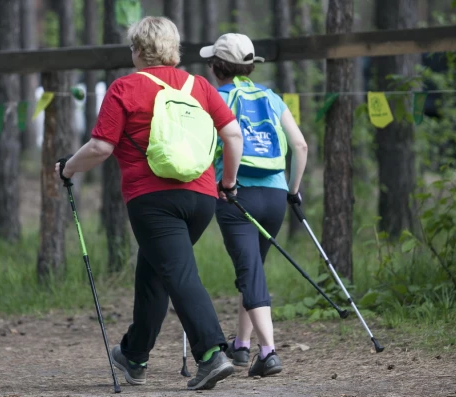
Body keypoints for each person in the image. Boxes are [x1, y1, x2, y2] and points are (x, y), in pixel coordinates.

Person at [55, 17, 244, 390]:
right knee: (155, 272)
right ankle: (134, 355)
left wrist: (67, 169)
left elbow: (101, 147)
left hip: (153, 199)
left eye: (131, 47)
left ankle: (211, 354)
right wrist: (228, 184)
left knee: (177, 272)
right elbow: (233, 134)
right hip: (202, 197)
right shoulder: (199, 86)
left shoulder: (125, 87)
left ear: (139, 50)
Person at [199, 33, 308, 377]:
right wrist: (292, 191)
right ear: (249, 66)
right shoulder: (271, 97)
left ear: (216, 67)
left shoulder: (213, 99)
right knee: (253, 269)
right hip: (275, 196)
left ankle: (269, 352)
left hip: (235, 194)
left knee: (249, 272)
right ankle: (242, 346)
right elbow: (300, 146)